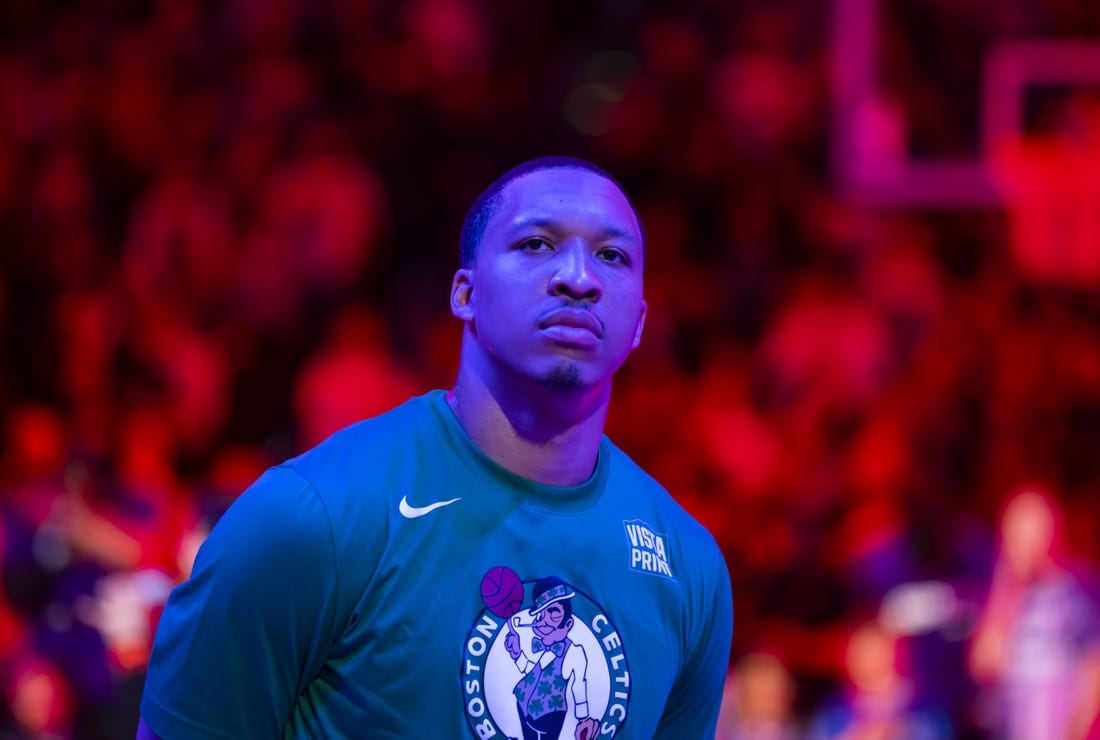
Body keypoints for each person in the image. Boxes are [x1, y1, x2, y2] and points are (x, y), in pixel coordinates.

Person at [137, 156, 734, 739]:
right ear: (464, 294)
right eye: (536, 245)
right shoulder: (309, 517)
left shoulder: (690, 568)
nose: (578, 277)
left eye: (612, 256)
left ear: (639, 323)